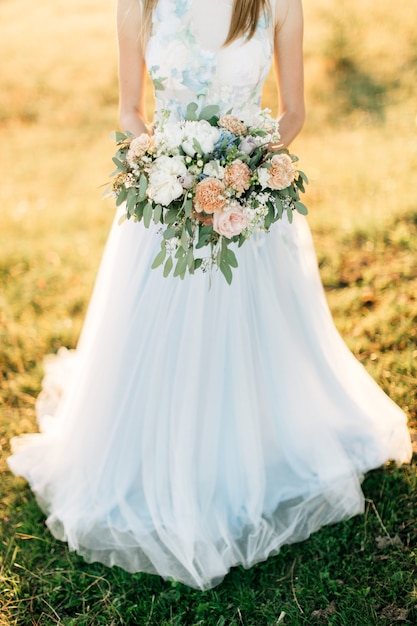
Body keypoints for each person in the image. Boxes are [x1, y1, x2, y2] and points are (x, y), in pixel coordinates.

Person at [8, 0, 412, 591]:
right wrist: (165, 169)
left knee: (254, 342)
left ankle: (254, 453)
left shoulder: (276, 4)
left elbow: (294, 110)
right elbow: (130, 110)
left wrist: (242, 173)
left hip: (248, 209)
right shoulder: (139, 5)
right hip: (164, 211)